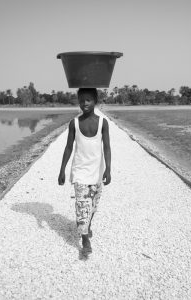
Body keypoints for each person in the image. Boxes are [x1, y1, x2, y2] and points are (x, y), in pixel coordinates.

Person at [58, 88, 111, 254]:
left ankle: (86, 225)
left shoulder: (103, 122)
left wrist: (108, 168)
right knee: (82, 205)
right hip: (80, 172)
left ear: (95, 101)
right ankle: (85, 238)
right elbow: (68, 147)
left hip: (96, 172)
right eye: (81, 100)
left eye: (88, 100)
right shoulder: (74, 123)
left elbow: (107, 148)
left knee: (93, 206)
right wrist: (62, 170)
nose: (85, 103)